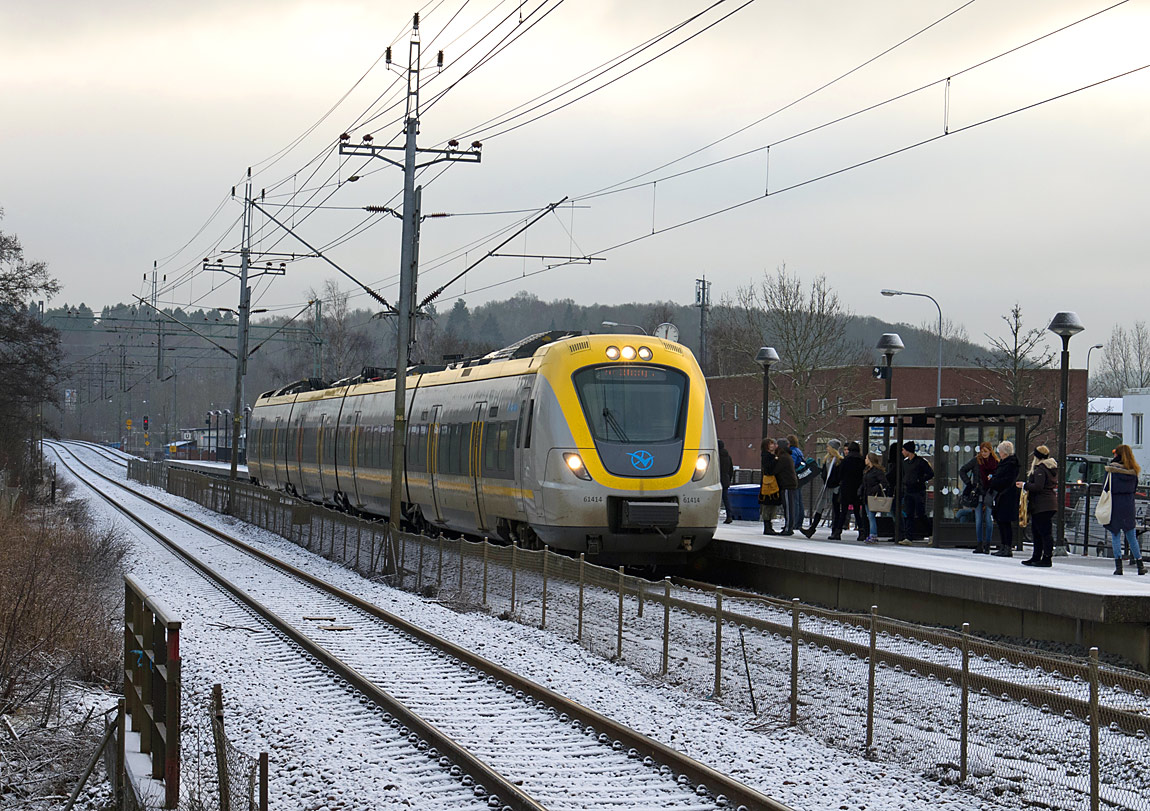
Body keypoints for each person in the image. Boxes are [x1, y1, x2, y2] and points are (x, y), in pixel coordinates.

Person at [1103, 444, 1146, 575]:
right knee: (1131, 536)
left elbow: (1106, 488)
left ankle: (1119, 566)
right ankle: (1140, 565)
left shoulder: (1111, 470)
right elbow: (1134, 489)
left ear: (1118, 454)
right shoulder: (1133, 471)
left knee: (1115, 534)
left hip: (1114, 504)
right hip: (1128, 505)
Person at [1020, 444, 1058, 567]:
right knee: (1038, 531)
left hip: (1042, 505)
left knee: (1043, 532)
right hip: (1048, 504)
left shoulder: (1041, 469)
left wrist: (1024, 485)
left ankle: (1046, 558)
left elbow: (1038, 487)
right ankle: (1037, 556)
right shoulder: (1050, 468)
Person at [960, 441, 999, 554]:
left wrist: (993, 480)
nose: (983, 453)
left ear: (990, 451)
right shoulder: (976, 461)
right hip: (978, 493)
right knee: (978, 520)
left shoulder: (995, 462)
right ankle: (979, 544)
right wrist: (969, 483)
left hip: (990, 492)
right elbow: (962, 470)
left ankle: (987, 544)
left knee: (988, 519)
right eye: (982, 451)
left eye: (985, 451)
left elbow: (999, 475)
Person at [988, 440, 1021, 557]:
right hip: (1003, 495)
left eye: (1000, 451)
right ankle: (1004, 546)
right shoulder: (1006, 463)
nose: (999, 453)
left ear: (1005, 453)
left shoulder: (1010, 464)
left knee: (1005, 522)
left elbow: (1006, 480)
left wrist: (994, 481)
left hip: (1006, 496)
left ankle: (1007, 547)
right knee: (1002, 522)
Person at [899, 441, 934, 544]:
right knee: (908, 514)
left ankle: (931, 533)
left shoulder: (920, 462)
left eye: (903, 450)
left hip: (918, 491)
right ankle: (908, 537)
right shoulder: (905, 463)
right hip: (908, 490)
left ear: (908, 451)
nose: (902, 452)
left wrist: (920, 480)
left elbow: (930, 473)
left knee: (920, 514)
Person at [833, 441, 866, 541]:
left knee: (844, 510)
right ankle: (861, 531)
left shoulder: (846, 460)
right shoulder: (862, 460)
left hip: (846, 487)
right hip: (857, 488)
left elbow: (840, 474)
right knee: (857, 511)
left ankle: (838, 532)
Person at [861, 451, 888, 544]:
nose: (865, 460)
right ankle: (872, 534)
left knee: (871, 516)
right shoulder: (867, 470)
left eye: (866, 458)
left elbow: (884, 483)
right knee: (869, 516)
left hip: (873, 496)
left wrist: (875, 489)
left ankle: (873, 534)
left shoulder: (877, 471)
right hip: (866, 496)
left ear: (870, 460)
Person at [758, 437, 784, 535]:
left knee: (771, 505)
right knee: (767, 505)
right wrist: (776, 459)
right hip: (768, 484)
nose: (773, 445)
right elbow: (768, 468)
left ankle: (769, 526)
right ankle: (767, 526)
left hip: (772, 483)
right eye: (771, 444)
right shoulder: (766, 456)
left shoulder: (772, 455)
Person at [775, 437, 800, 536]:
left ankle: (789, 527)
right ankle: (788, 526)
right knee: (788, 506)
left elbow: (775, 470)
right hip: (788, 484)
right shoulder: (787, 456)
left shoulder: (783, 457)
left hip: (787, 484)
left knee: (789, 507)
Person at [820, 439, 844, 537]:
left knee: (836, 508)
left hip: (835, 487)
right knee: (821, 506)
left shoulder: (839, 461)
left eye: (828, 446)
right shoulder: (827, 460)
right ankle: (813, 528)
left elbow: (839, 475)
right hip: (828, 485)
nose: (827, 448)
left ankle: (835, 529)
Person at [787, 434, 807, 529]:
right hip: (800, 477)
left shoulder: (792, 452)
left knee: (794, 501)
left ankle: (794, 522)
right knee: (799, 500)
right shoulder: (799, 451)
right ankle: (799, 521)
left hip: (794, 478)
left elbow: (791, 465)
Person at [719, 439, 735, 524]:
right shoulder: (728, 456)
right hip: (725, 479)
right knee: (726, 499)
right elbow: (731, 469)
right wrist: (728, 478)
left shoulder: (716, 456)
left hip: (717, 479)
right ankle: (729, 515)